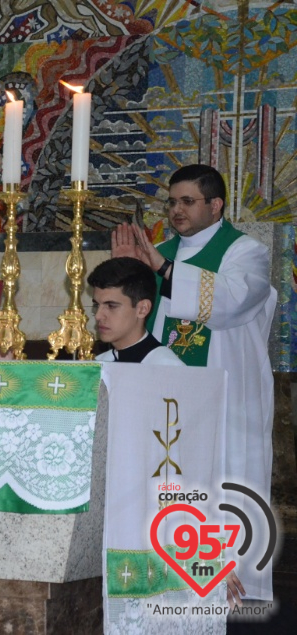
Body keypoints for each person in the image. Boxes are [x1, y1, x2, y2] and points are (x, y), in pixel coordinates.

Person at [111, 164, 276, 605]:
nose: (175, 210)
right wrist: (124, 271)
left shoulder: (246, 252)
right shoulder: (159, 252)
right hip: (163, 393)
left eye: (187, 201)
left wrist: (162, 268)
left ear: (215, 204)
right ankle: (167, 575)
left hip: (227, 395)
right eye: (171, 201)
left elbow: (230, 301)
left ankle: (235, 585)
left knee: (224, 479)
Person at [87, 257, 183, 364]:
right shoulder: (98, 363)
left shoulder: (168, 368)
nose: (98, 316)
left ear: (142, 309)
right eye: (96, 305)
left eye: (111, 306)